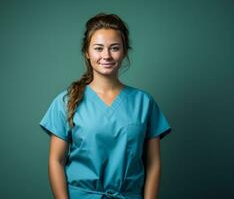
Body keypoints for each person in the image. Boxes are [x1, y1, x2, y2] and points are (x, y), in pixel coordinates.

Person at [39, 12, 172, 199]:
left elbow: (153, 163)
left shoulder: (144, 103)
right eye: (98, 48)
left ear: (124, 51)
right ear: (87, 52)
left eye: (114, 48)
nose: (106, 55)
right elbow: (56, 160)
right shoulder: (67, 101)